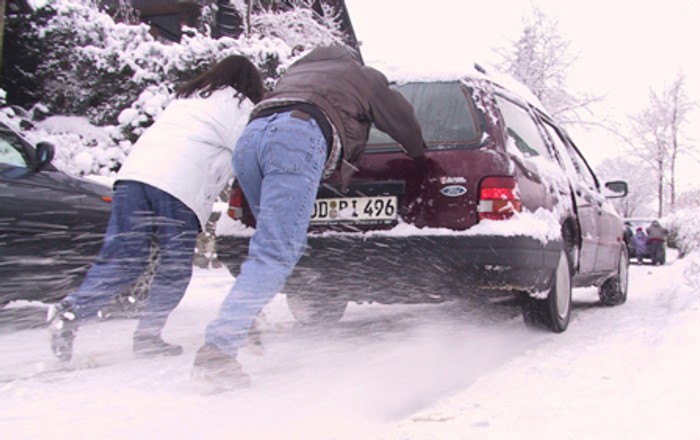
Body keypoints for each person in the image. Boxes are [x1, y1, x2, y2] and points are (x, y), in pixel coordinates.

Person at [191, 45, 428, 389]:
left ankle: (243, 320)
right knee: (276, 253)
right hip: (296, 137)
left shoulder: (294, 75)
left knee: (267, 247)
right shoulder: (360, 75)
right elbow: (401, 119)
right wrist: (419, 152)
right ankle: (219, 351)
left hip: (251, 140)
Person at [48, 55, 265, 362]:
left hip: (132, 178)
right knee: (173, 269)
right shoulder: (239, 106)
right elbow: (248, 156)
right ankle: (148, 336)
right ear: (251, 84)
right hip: (177, 188)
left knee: (124, 259)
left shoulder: (186, 99)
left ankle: (72, 310)